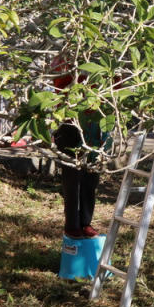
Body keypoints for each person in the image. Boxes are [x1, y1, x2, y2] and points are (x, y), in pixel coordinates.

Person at [51, 56, 110, 239]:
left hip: (95, 122)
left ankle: (86, 222)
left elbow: (115, 86)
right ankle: (72, 225)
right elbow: (59, 80)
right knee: (72, 177)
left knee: (91, 177)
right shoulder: (67, 56)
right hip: (70, 121)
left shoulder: (105, 58)